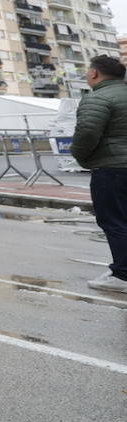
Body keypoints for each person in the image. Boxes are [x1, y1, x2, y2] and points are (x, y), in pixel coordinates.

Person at [70, 54, 127, 293]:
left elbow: (86, 134)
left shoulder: (98, 98)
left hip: (112, 169)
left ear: (94, 73)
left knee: (115, 221)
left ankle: (122, 275)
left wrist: (82, 158)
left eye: (87, 71)